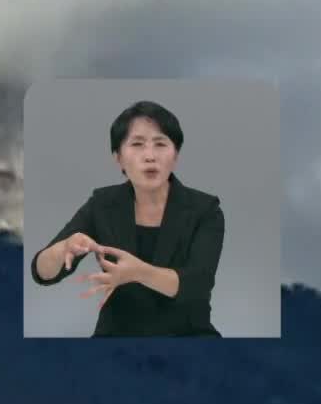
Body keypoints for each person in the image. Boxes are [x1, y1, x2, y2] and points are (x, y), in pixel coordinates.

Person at [29, 100, 225, 336]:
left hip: (188, 337)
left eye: (161, 144)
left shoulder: (205, 210)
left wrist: (139, 272)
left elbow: (198, 285)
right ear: (118, 158)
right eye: (137, 144)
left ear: (176, 155)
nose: (150, 156)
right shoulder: (103, 204)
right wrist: (63, 249)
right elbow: (42, 273)